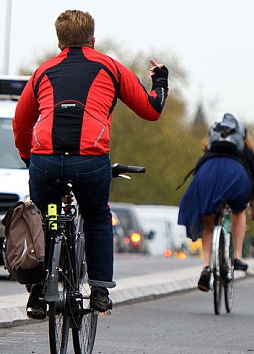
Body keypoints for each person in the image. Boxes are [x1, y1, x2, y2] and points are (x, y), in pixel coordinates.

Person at [12, 10, 169, 318]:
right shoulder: (110, 67)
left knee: (44, 220)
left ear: (59, 42)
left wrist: (30, 158)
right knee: (96, 217)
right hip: (90, 161)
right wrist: (161, 80)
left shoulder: (43, 71)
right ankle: (99, 291)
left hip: (45, 160)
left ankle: (36, 290)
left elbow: (20, 122)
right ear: (92, 40)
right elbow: (152, 110)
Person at [178, 113, 254, 291]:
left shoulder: (210, 147)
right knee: (239, 210)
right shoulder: (246, 151)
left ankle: (206, 266)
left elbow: (198, 169)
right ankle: (238, 256)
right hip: (236, 175)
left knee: (209, 222)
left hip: (208, 174)